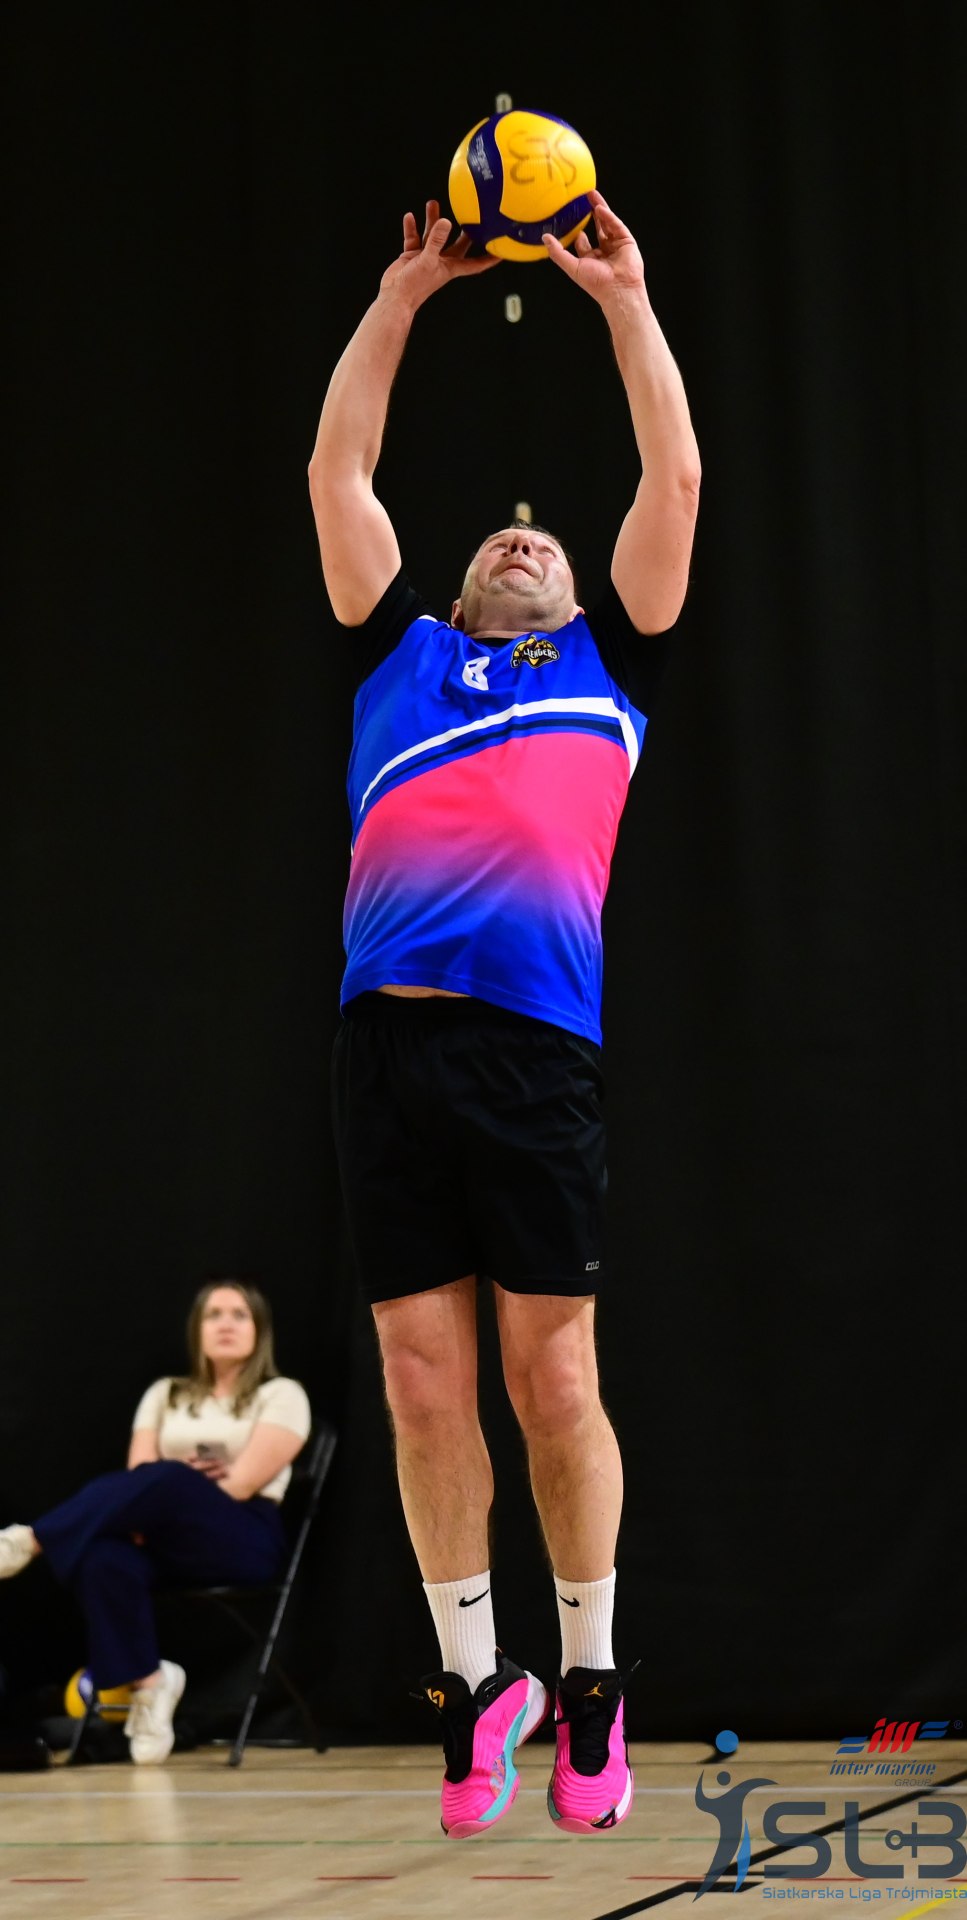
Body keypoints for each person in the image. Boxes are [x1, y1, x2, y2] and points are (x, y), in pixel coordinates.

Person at [308, 189, 700, 1837]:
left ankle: (589, 1679)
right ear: (461, 582)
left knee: (550, 1382)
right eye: (498, 541)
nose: (519, 542)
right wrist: (402, 296)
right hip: (384, 1050)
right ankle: (478, 1685)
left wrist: (623, 303)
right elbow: (340, 473)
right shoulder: (394, 657)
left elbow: (670, 482)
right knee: (417, 1383)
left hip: (534, 1055)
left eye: (541, 540)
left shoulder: (612, 670)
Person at [0, 1279, 311, 1763]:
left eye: (239, 1315)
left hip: (242, 1535)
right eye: (214, 1315)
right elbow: (137, 1476)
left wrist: (176, 1482)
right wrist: (168, 1488)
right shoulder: (165, 1394)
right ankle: (150, 1686)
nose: (226, 1324)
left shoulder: (281, 1394)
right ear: (197, 1329)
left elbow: (241, 1484)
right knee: (103, 1556)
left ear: (259, 1331)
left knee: (167, 1476)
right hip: (161, 1536)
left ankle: (31, 1540)